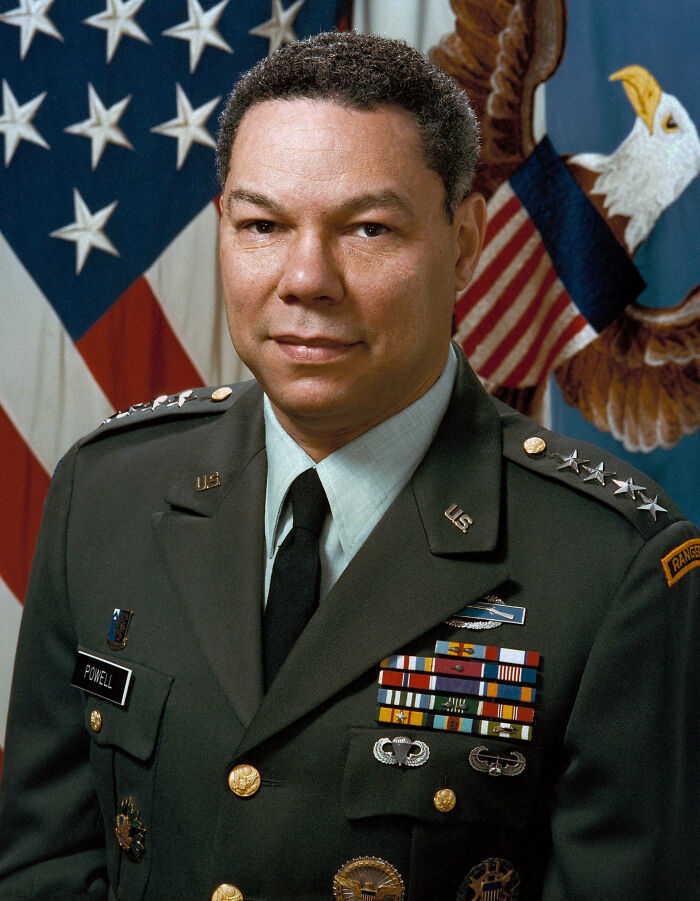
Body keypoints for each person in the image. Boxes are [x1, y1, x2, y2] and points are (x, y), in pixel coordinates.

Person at [0, 31, 698, 901]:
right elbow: (44, 865)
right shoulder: (107, 491)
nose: (306, 279)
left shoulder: (612, 566)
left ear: (466, 244)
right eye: (262, 225)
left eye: (368, 228)